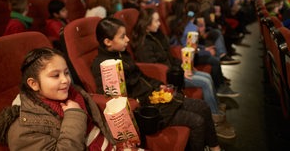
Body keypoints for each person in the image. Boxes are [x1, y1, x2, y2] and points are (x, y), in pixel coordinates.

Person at [91, 17, 226, 151]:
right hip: (144, 109)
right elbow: (113, 101)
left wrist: (159, 86)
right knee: (197, 121)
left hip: (153, 97)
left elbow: (141, 77)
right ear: (108, 41)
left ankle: (215, 147)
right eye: (122, 37)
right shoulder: (102, 67)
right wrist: (150, 97)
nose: (127, 39)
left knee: (202, 106)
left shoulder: (121, 53)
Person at [131, 8, 235, 139]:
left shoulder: (156, 36)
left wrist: (185, 65)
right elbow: (157, 68)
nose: (159, 24)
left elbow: (169, 57)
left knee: (207, 76)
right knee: (205, 81)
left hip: (175, 70)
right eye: (156, 21)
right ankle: (216, 121)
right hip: (170, 77)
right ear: (146, 24)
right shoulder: (144, 44)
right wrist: (182, 71)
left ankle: (216, 109)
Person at [0, 47, 115, 150]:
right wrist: (74, 115)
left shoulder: (74, 93)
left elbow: (99, 125)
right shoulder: (22, 130)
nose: (66, 80)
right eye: (56, 75)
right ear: (34, 84)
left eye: (66, 73)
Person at [170, 0, 240, 98]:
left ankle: (219, 80)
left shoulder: (180, 21)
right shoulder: (193, 28)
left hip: (180, 54)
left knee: (211, 51)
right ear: (198, 12)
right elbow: (191, 50)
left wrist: (204, 48)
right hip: (186, 59)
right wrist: (205, 51)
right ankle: (220, 87)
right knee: (214, 59)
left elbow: (188, 45)